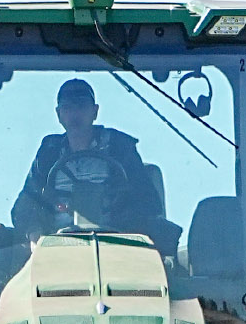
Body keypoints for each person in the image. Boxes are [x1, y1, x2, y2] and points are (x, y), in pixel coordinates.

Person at [10, 78, 180, 254]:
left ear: (95, 111)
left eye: (82, 107)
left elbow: (147, 202)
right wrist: (35, 236)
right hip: (54, 246)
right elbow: (26, 203)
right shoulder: (49, 152)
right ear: (59, 114)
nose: (75, 114)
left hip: (118, 246)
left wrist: (123, 228)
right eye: (68, 108)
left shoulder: (120, 148)